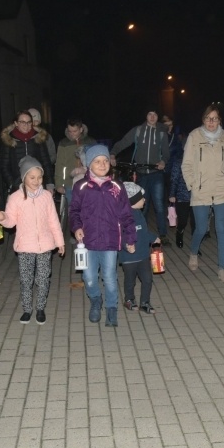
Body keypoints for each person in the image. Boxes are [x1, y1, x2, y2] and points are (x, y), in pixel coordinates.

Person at [0, 156, 65, 325]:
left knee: (43, 278)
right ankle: (26, 309)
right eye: (32, 177)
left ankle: (40, 308)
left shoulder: (46, 196)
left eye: (40, 177)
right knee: (26, 279)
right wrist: (2, 217)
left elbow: (53, 220)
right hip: (25, 246)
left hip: (45, 245)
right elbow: (11, 221)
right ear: (24, 177)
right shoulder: (15, 198)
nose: (37, 181)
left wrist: (60, 242)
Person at [69, 144, 137, 327]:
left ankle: (112, 308)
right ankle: (96, 300)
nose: (102, 164)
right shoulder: (81, 186)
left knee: (110, 277)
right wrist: (76, 227)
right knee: (89, 277)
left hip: (110, 240)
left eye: (105, 160)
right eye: (97, 161)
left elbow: (126, 214)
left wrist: (130, 238)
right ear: (89, 164)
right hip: (88, 242)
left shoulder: (116, 187)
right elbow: (74, 210)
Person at [182, 103, 224, 282]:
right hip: (201, 190)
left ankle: (222, 268)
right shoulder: (194, 136)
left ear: (219, 120)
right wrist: (192, 184)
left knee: (222, 229)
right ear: (203, 119)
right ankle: (193, 253)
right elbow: (187, 164)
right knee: (200, 228)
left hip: (221, 189)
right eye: (208, 118)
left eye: (214, 118)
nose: (211, 122)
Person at [110, 107, 171, 245]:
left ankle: (163, 234)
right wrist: (113, 153)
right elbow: (123, 142)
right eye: (150, 113)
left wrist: (163, 161)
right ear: (146, 115)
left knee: (159, 205)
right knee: (141, 205)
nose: (152, 116)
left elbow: (166, 153)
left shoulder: (162, 133)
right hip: (141, 174)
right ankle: (140, 233)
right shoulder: (137, 130)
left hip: (156, 174)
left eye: (155, 114)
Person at [120, 182, 159, 315]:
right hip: (129, 257)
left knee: (147, 279)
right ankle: (129, 299)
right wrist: (126, 246)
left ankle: (145, 302)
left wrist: (153, 238)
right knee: (130, 280)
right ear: (133, 201)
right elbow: (120, 236)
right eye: (141, 198)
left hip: (143, 255)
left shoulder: (139, 214)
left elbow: (143, 232)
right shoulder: (124, 217)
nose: (144, 200)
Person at [0, 110, 55, 193]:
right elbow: (4, 166)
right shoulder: (9, 140)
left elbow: (46, 162)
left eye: (29, 122)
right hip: (17, 187)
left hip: (37, 185)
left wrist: (50, 184)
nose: (26, 125)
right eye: (22, 122)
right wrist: (12, 184)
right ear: (16, 123)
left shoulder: (38, 138)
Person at [55, 118, 97, 205]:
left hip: (88, 183)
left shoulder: (91, 142)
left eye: (75, 131)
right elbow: (59, 165)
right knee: (73, 211)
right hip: (69, 184)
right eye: (70, 131)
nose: (72, 134)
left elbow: (96, 162)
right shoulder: (64, 143)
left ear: (81, 129)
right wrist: (59, 184)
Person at [167, 127, 193, 249]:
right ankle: (179, 233)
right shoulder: (179, 162)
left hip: (197, 197)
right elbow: (174, 179)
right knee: (182, 221)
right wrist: (172, 194)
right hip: (182, 196)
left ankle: (195, 245)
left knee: (196, 223)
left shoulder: (199, 162)